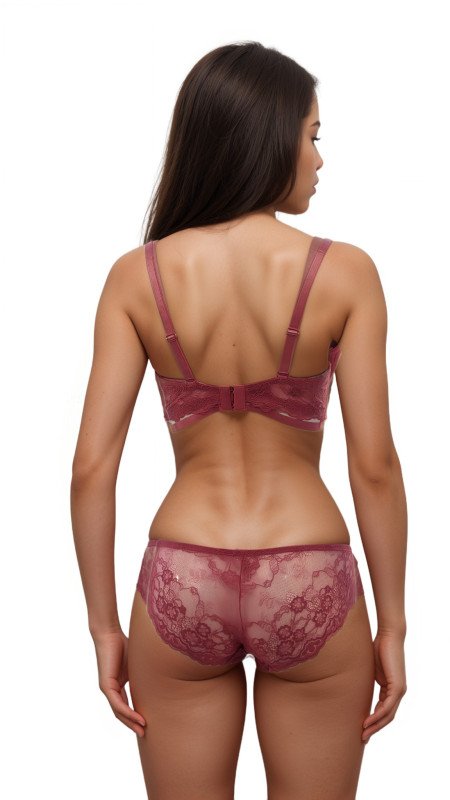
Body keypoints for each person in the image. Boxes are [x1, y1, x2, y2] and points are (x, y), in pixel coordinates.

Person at [70, 41, 408, 800]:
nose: (320, 159)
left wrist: (104, 629)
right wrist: (392, 625)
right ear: (268, 137)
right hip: (309, 573)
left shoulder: (136, 277)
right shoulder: (346, 273)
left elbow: (91, 468)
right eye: (312, 136)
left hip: (180, 576)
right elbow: (375, 466)